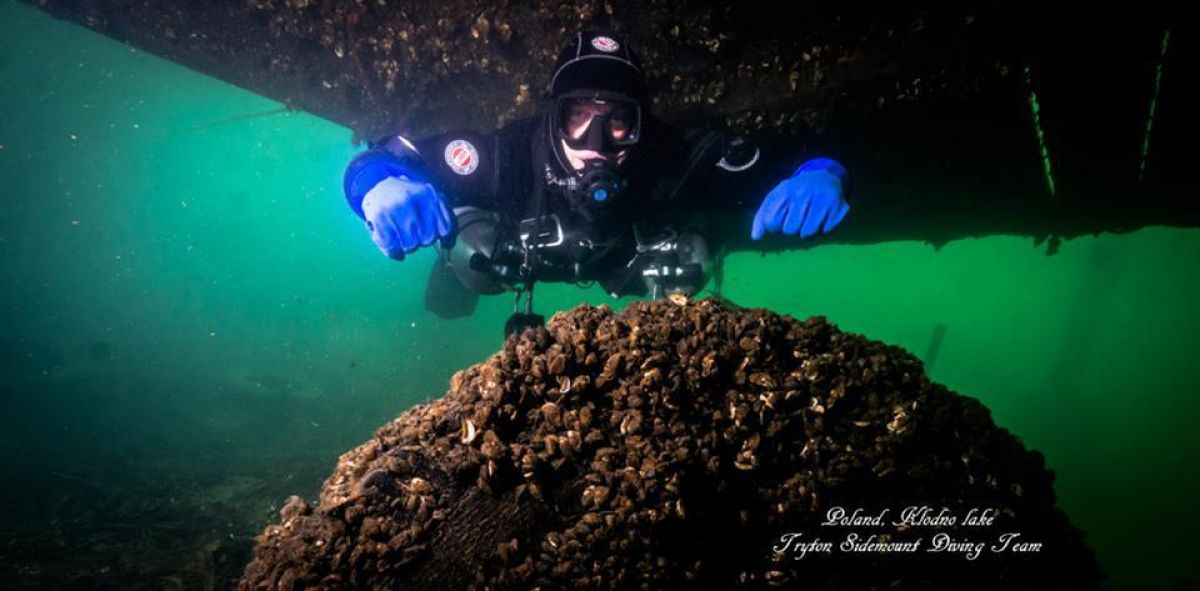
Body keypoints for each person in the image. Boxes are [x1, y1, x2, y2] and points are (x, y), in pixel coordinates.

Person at [342, 32, 850, 335]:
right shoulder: (510, 156)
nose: (597, 142)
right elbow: (385, 159)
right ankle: (456, 274)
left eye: (618, 121)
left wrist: (823, 172)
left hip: (627, 266)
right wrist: (377, 185)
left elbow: (788, 154)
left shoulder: (673, 155)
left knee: (694, 257)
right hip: (515, 260)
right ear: (554, 117)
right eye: (578, 116)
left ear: (642, 124)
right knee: (468, 253)